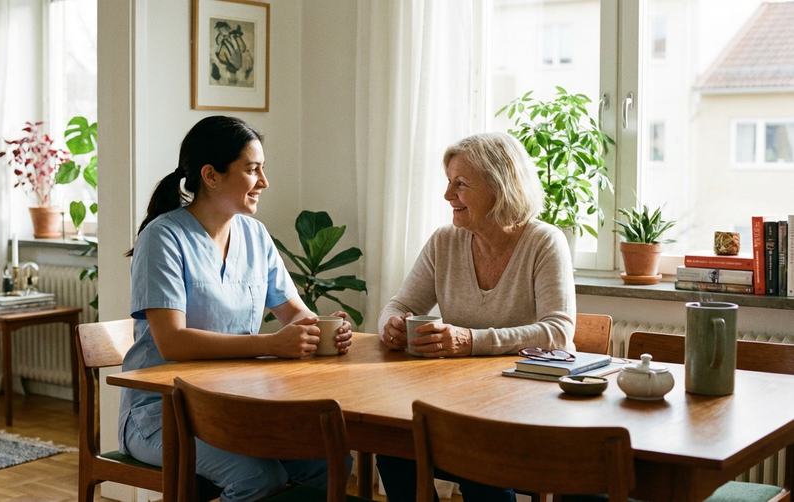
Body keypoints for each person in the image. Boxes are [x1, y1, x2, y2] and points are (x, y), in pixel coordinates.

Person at [118, 116, 353, 501]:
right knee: (258, 478)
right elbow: (173, 343)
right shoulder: (162, 238)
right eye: (252, 170)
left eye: (263, 169)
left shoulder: (254, 234)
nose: (264, 181)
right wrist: (271, 345)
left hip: (235, 409)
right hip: (162, 416)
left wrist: (325, 328)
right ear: (211, 175)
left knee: (330, 461)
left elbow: (295, 314)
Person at [376, 131, 576, 502]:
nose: (448, 195)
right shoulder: (444, 242)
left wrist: (470, 340)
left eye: (461, 184)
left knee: (479, 462)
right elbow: (399, 305)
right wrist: (391, 325)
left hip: (526, 407)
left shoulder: (544, 242)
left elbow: (558, 333)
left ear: (500, 187)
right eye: (449, 183)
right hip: (461, 402)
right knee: (394, 447)